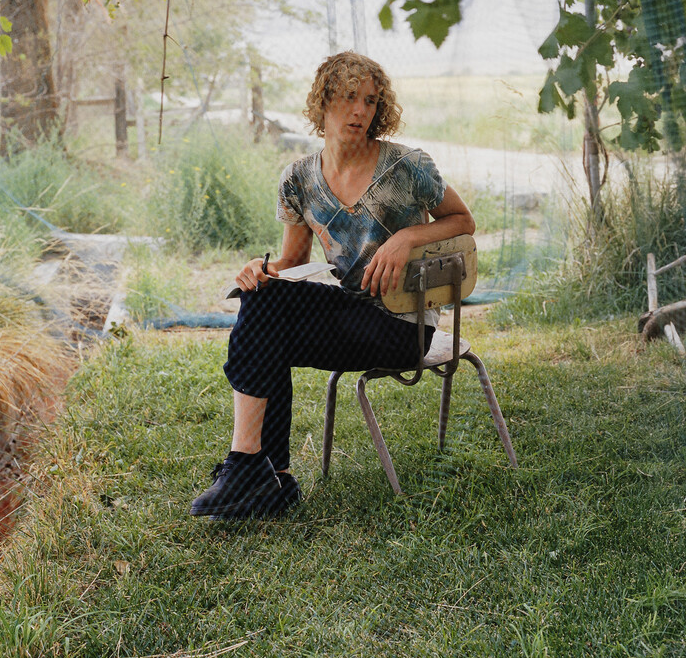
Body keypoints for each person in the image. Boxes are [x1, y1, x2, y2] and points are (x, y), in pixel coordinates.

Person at [191, 51, 474, 518]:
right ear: (323, 101)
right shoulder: (299, 179)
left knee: (267, 320)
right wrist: (259, 271)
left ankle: (247, 467)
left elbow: (463, 220)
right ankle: (271, 478)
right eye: (348, 97)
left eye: (369, 100)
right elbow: (291, 261)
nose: (360, 111)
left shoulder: (406, 168)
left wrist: (406, 237)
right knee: (262, 304)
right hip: (348, 317)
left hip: (402, 328)